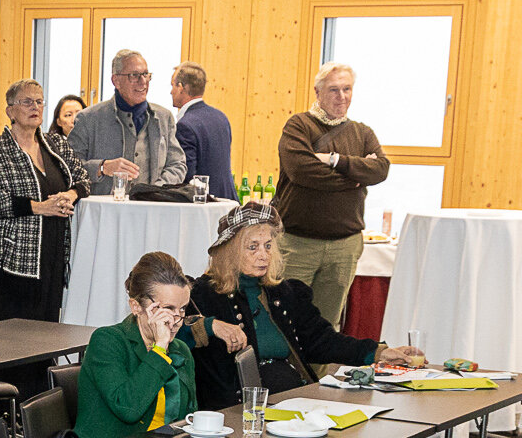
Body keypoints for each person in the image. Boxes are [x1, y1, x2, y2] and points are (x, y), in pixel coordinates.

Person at [189, 202, 426, 407]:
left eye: (268, 245)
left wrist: (379, 352)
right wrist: (209, 326)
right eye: (253, 247)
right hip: (239, 406)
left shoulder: (284, 292)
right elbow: (176, 334)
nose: (264, 255)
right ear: (229, 251)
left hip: (294, 396)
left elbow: (322, 340)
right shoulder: (204, 294)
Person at [275, 63, 392, 325]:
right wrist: (355, 179)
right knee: (285, 320)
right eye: (334, 90)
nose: (341, 96)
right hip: (297, 245)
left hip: (344, 247)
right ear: (318, 92)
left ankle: (320, 370)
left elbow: (381, 169)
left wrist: (335, 160)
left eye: (347, 89)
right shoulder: (298, 126)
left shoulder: (362, 133)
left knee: (327, 326)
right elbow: (302, 172)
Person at [0, 79, 84, 324]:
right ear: (10, 110)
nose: (34, 106)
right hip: (9, 261)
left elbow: (82, 178)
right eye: (26, 102)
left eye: (39, 101)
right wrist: (41, 208)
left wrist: (71, 195)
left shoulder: (55, 144)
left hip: (51, 254)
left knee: (46, 332)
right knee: (11, 337)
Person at [74, 252, 199, 438]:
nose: (175, 321)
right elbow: (128, 408)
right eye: (167, 309)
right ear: (136, 306)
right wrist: (159, 349)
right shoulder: (108, 341)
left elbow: (188, 418)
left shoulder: (180, 350)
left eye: (182, 309)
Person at [66, 49, 189, 197]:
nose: (143, 81)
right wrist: (102, 167)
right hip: (103, 212)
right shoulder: (88, 119)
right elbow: (68, 167)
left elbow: (177, 164)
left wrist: (157, 189)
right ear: (116, 80)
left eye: (146, 75)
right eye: (134, 76)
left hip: (152, 210)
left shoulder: (164, 118)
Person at [171, 62, 233, 199]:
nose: (171, 91)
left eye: (172, 85)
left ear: (181, 88)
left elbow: (187, 177)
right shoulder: (221, 117)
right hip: (227, 201)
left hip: (204, 205)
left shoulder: (185, 125)